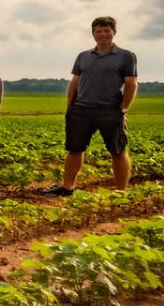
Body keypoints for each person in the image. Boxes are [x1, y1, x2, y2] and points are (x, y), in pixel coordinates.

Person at [44, 16, 138, 196]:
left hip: (110, 110)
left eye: (106, 31)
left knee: (117, 150)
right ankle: (67, 187)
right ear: (93, 34)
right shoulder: (83, 56)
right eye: (98, 31)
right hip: (81, 109)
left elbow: (131, 83)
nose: (102, 34)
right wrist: (70, 106)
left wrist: (123, 108)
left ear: (114, 32)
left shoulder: (126, 56)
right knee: (74, 149)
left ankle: (120, 192)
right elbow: (75, 82)